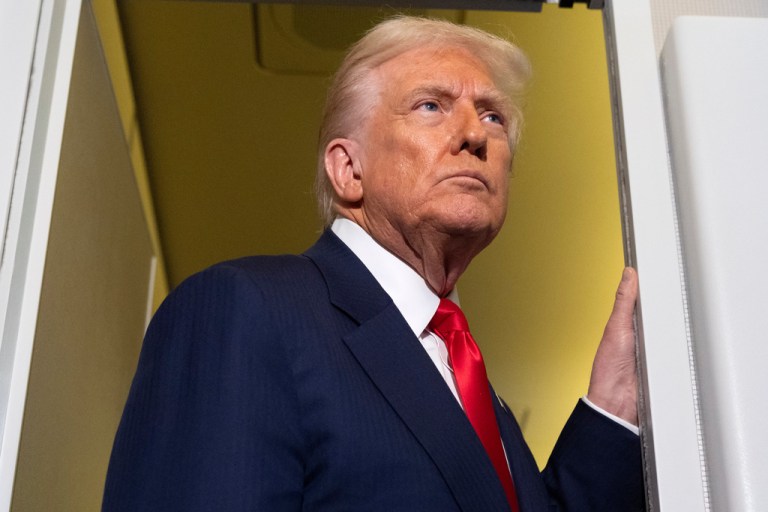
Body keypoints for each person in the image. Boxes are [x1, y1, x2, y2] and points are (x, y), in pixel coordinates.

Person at [102, 16, 643, 512]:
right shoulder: (243, 308)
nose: (475, 135)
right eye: (431, 105)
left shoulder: (472, 382)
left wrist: (613, 406)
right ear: (347, 169)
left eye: (492, 115)